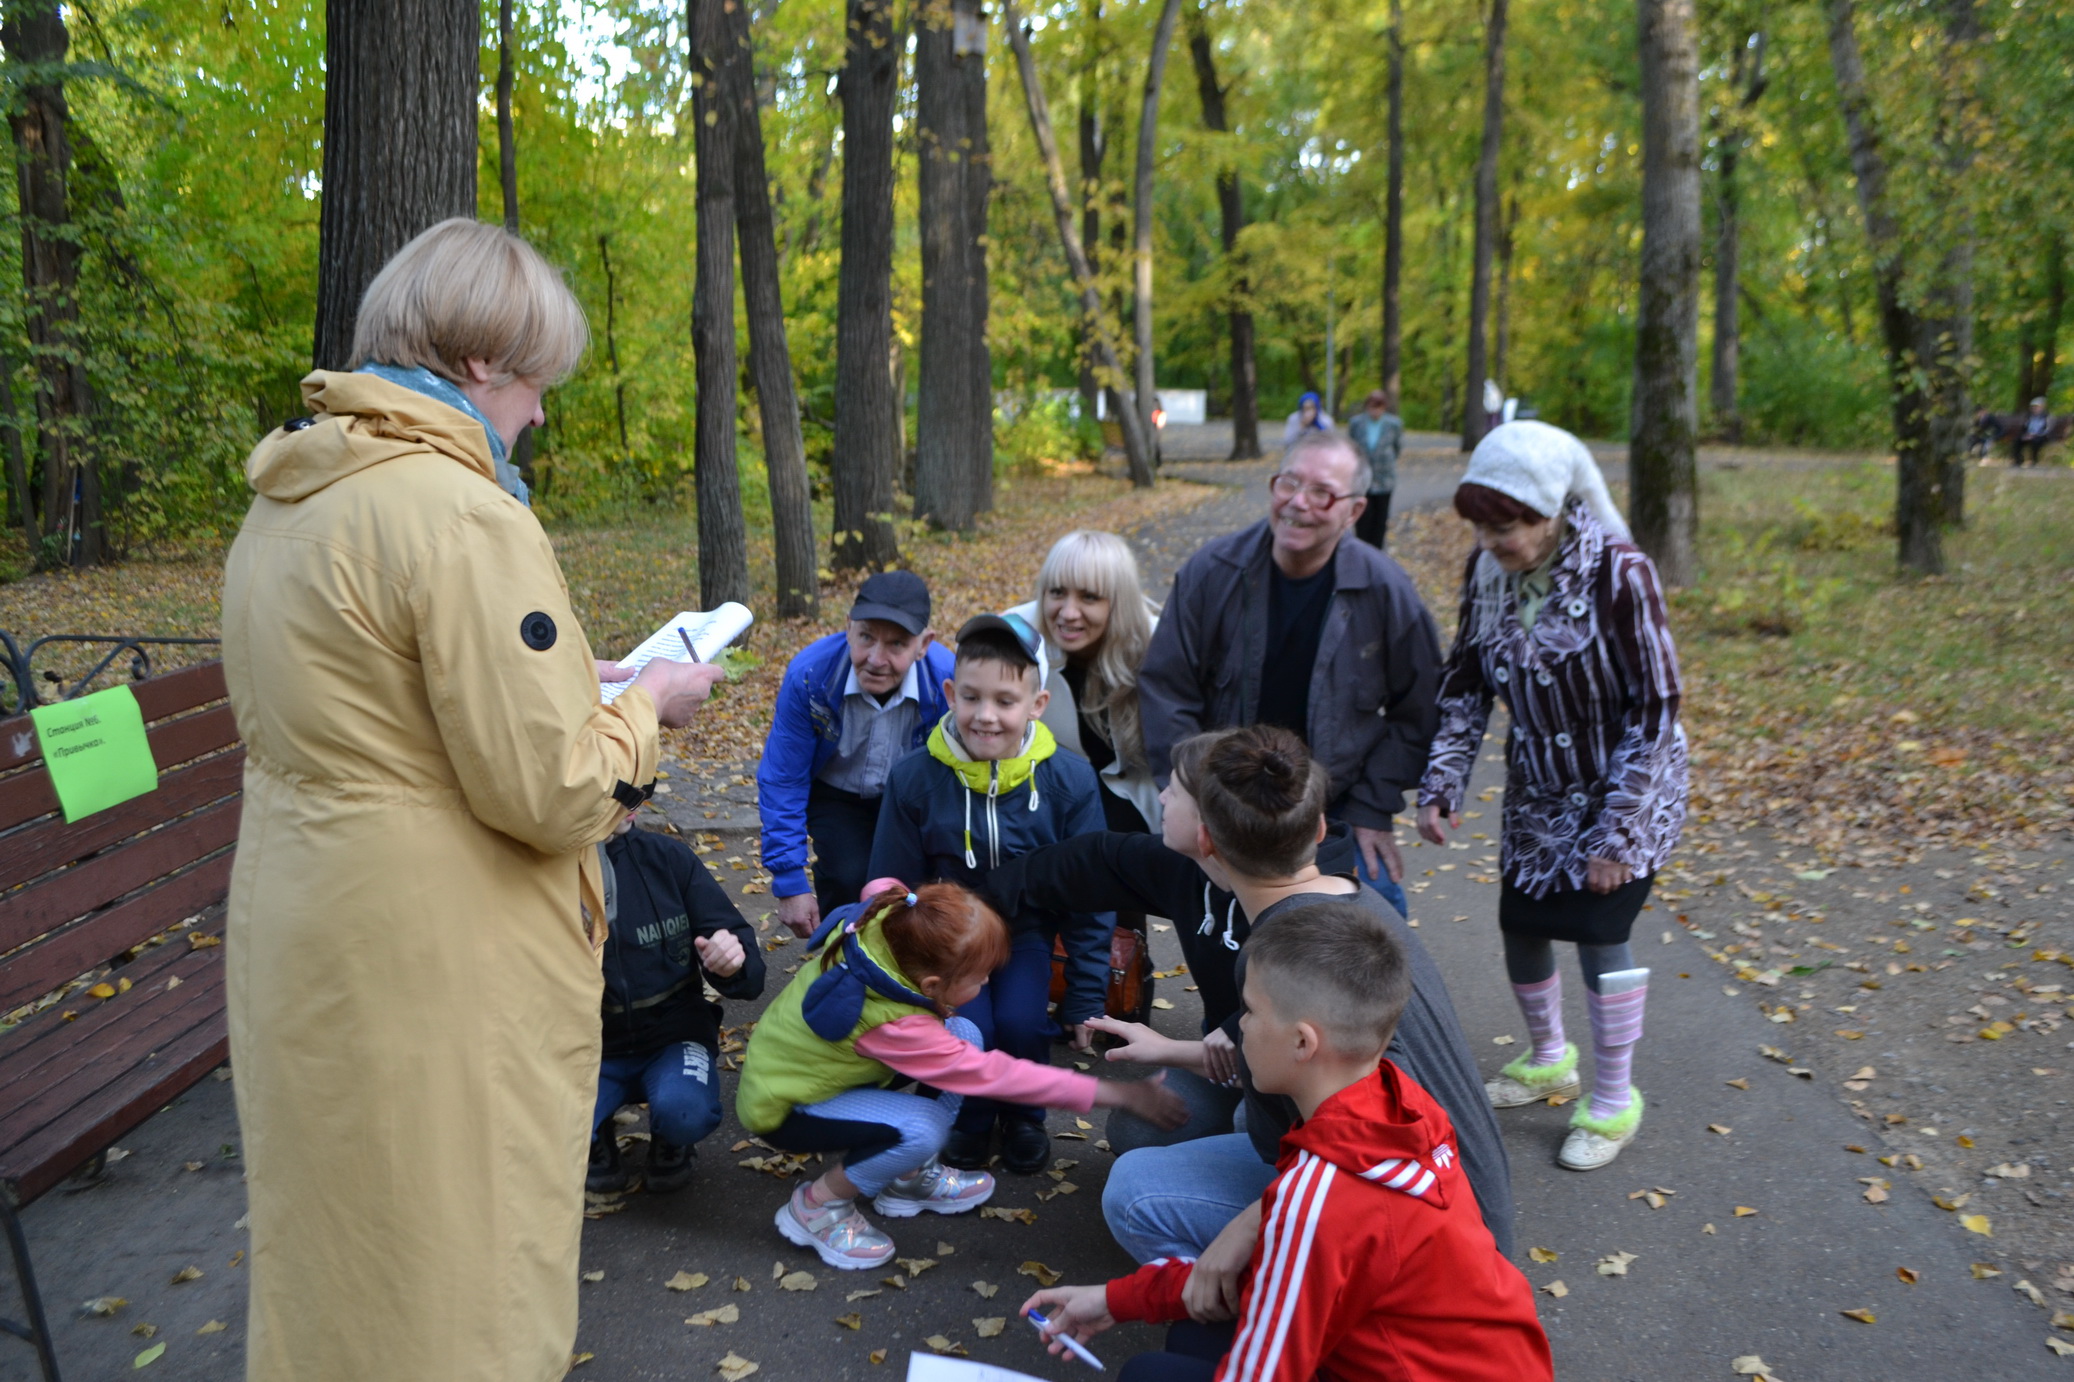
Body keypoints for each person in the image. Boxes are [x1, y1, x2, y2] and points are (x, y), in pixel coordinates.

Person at [220, 219, 725, 1382]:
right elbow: (549, 791)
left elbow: (380, 707)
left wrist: (570, 681)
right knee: (457, 1280)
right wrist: (646, 704)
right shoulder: (460, 511)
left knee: (341, 1264)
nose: (541, 411)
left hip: (313, 934)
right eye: (538, 380)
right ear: (483, 362)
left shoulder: (292, 497)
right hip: (437, 965)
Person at [979, 726, 1513, 1257]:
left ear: (1207, 837)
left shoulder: (1291, 962)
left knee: (1137, 1190)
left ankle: (1263, 1321)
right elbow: (1095, 860)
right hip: (1430, 1183)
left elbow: (1366, 1158)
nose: (1161, 795)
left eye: (1175, 792)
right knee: (1149, 1131)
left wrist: (1238, 1241)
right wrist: (964, 906)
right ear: (1319, 826)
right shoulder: (1334, 900)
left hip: (1436, 1234)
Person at [1021, 905, 1552, 1382]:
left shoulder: (1319, 1197)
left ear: (1303, 1042)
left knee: (1147, 1373)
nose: (1240, 1027)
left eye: (1249, 1011)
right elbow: (1288, 1274)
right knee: (1193, 1330)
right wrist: (1118, 1300)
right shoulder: (1399, 1103)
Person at [1418, 419, 1688, 1172]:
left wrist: (1618, 836)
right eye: (1482, 527)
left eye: (1508, 527)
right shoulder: (1487, 574)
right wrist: (1443, 781)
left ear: (1556, 512)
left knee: (1602, 930)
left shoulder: (1621, 572)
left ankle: (1612, 1098)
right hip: (1540, 787)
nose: (1493, 542)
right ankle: (1549, 1059)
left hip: (1625, 780)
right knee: (1523, 922)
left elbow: (1657, 709)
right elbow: (1466, 685)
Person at [736, 883, 1186, 1270]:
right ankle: (817, 1207)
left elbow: (883, 886)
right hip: (785, 1105)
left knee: (965, 1032)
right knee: (922, 1126)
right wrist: (1115, 1093)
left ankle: (907, 1177)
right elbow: (998, 1077)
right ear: (932, 985)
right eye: (981, 976)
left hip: (825, 1073)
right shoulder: (896, 1025)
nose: (988, 984)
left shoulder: (890, 919)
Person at [1138, 429, 1442, 915]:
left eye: (1321, 492)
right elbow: (1166, 689)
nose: (1298, 503)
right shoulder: (1211, 572)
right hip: (1224, 802)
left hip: (1335, 808)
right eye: (1288, 484)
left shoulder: (1386, 590)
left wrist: (1372, 806)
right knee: (1223, 931)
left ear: (1354, 511)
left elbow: (1421, 710)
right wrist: (1197, 797)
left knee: (1377, 920)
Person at [868, 614, 1113, 1174]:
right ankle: (968, 1119)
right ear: (950, 693)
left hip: (1026, 932)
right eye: (972, 697)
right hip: (948, 941)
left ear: (1037, 703)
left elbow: (1091, 893)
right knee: (971, 1027)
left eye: (1005, 701)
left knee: (1024, 1022)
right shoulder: (916, 779)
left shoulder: (1068, 781)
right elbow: (891, 885)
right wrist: (903, 979)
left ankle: (1024, 1116)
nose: (985, 716)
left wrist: (1085, 993)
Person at [759, 571, 955, 940]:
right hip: (836, 792)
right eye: (866, 637)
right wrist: (789, 880)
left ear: (923, 644)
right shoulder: (811, 675)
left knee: (904, 890)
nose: (876, 659)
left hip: (908, 800)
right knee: (845, 876)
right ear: (848, 627)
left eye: (897, 645)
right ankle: (839, 963)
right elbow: (784, 776)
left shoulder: (947, 683)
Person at [587, 811, 767, 1195]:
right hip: (584, 1046)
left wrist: (732, 963)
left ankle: (672, 1139)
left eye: (639, 783)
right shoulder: (543, 872)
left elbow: (750, 977)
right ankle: (591, 1139)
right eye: (614, 782)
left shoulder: (669, 857)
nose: (632, 796)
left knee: (685, 1111)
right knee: (539, 1122)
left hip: (672, 1035)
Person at [1009, 529, 1164, 835]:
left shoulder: (1159, 645)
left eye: (1089, 597)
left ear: (1118, 603)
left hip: (1142, 808)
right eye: (1056, 592)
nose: (1067, 613)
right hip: (1044, 801)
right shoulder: (1015, 638)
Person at [1347, 388, 1405, 550]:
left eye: (1379, 407)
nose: (1375, 411)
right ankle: (1361, 549)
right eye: (1372, 406)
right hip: (1362, 478)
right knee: (1363, 518)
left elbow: (1397, 447)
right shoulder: (1357, 423)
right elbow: (1352, 446)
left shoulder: (1393, 424)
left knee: (1380, 520)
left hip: (1384, 478)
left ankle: (1377, 552)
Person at [2018, 397, 2052, 467]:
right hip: (2029, 435)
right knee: (2018, 440)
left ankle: (2034, 461)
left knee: (2035, 442)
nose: (2034, 409)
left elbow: (2047, 430)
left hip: (2041, 436)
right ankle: (2018, 461)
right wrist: (2025, 435)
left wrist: (2034, 435)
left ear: (2041, 408)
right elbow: (2024, 427)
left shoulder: (2047, 417)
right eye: (2033, 407)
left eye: (2036, 407)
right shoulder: (2029, 416)